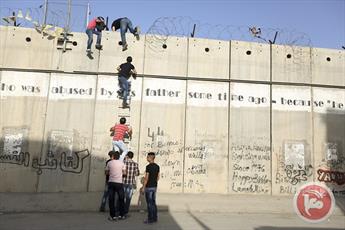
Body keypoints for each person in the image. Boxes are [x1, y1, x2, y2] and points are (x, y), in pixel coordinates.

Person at [105, 151, 126, 221]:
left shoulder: (109, 163)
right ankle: (121, 215)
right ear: (119, 157)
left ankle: (113, 216)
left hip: (111, 182)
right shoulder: (122, 163)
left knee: (111, 200)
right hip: (119, 183)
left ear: (113, 156)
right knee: (121, 199)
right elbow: (125, 173)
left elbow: (106, 173)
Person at [140, 152, 160, 224]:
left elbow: (146, 178)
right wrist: (154, 182)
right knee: (153, 203)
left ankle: (150, 219)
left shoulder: (148, 167)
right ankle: (155, 218)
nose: (147, 158)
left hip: (149, 187)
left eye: (147, 157)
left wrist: (143, 187)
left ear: (150, 158)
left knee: (149, 204)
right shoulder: (157, 166)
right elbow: (158, 177)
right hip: (154, 186)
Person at [123, 151, 140, 216]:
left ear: (127, 156)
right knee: (128, 198)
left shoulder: (123, 163)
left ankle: (120, 211)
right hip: (130, 183)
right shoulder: (135, 164)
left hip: (123, 182)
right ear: (132, 156)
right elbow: (137, 173)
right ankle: (126, 212)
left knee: (121, 197)